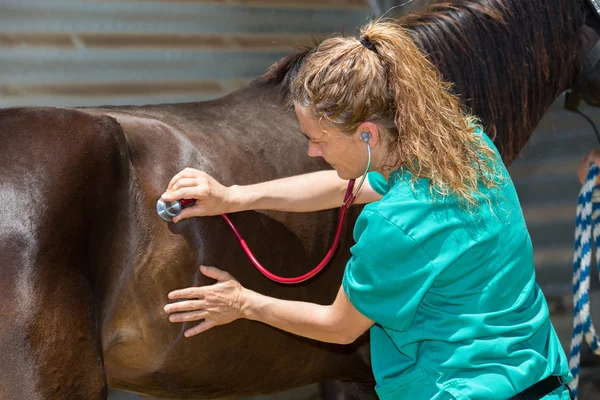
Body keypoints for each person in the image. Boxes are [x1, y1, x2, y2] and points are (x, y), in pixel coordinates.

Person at [161, 20, 571, 400]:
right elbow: (349, 186)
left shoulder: (395, 225)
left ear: (367, 133)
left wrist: (241, 302)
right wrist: (234, 196)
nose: (312, 152)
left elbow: (339, 326)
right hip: (542, 379)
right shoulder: (467, 145)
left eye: (319, 140)